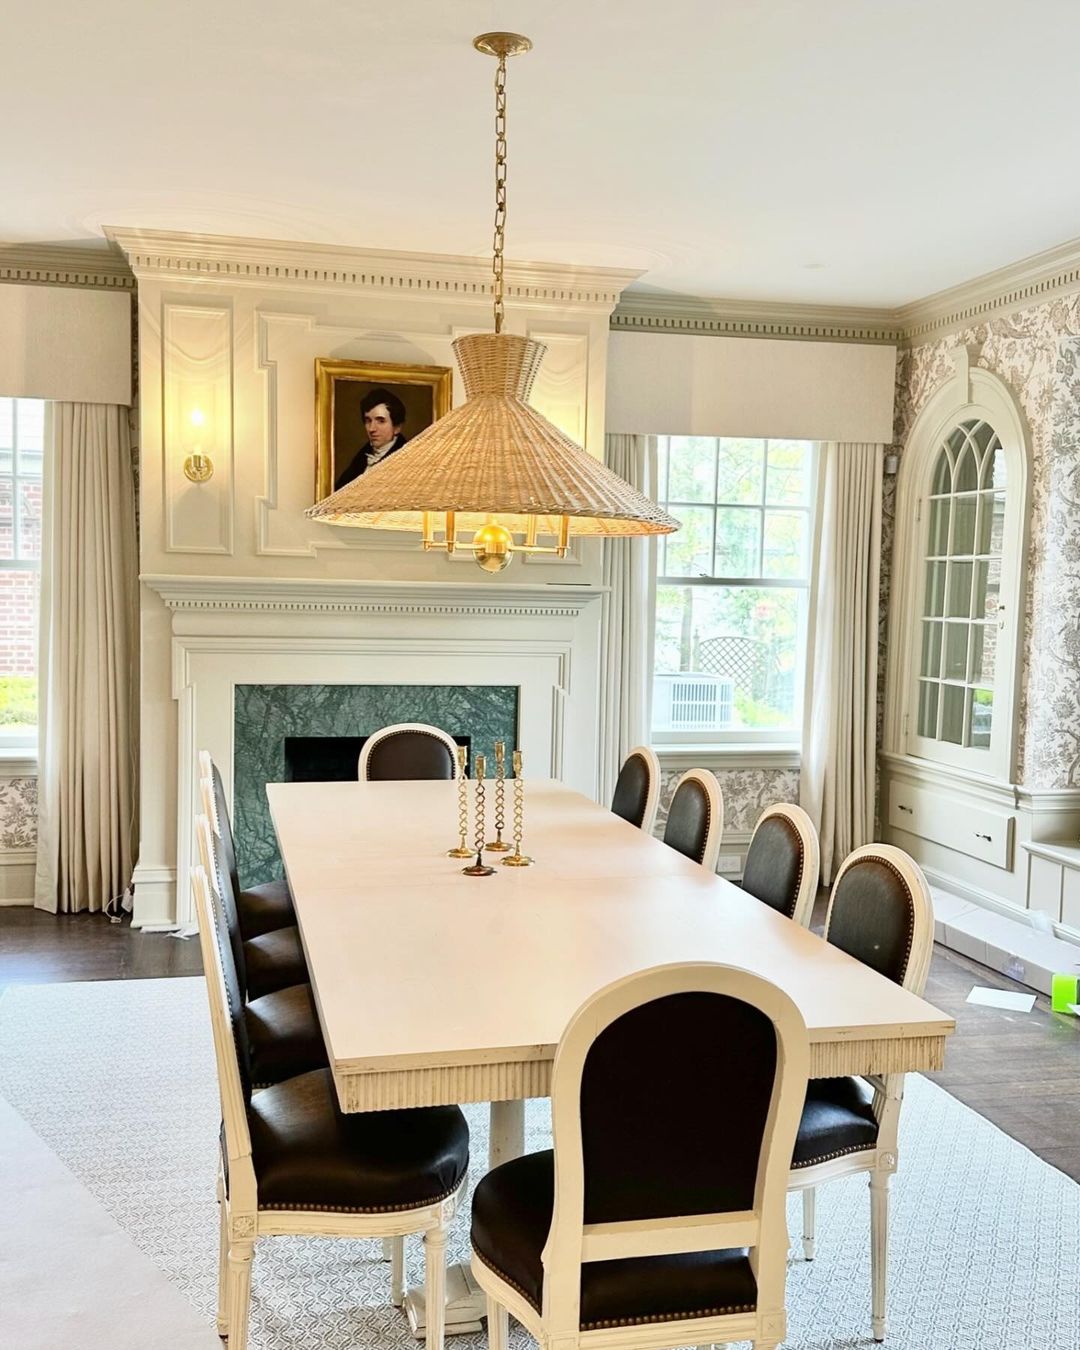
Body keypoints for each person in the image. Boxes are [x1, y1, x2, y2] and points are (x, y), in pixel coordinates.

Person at [333, 387, 409, 490]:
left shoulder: (407, 462)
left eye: (381, 421)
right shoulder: (360, 460)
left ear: (397, 428)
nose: (372, 429)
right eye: (368, 420)